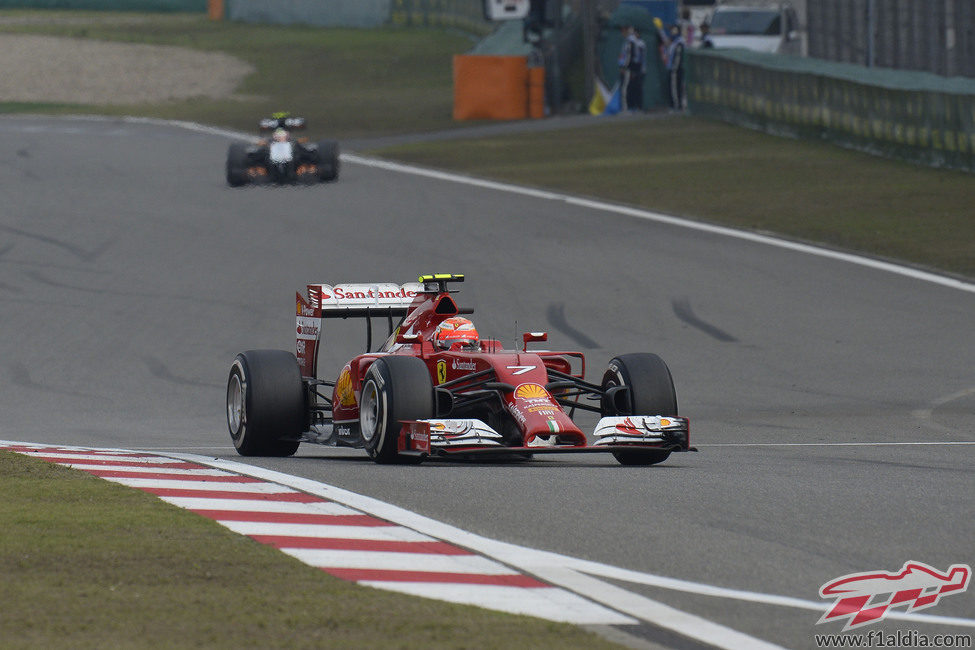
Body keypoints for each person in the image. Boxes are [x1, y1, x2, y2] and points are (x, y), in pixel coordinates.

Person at [665, 24, 686, 111]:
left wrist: (674, 68)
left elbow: (678, 57)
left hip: (676, 70)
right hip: (672, 68)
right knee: (674, 86)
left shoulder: (679, 43)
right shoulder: (674, 43)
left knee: (675, 87)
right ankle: (676, 104)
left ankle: (676, 105)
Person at [617, 25, 636, 112]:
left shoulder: (630, 42)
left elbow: (629, 56)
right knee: (625, 87)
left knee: (625, 88)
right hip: (625, 67)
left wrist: (625, 67)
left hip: (627, 69)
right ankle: (627, 107)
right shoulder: (627, 42)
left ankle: (626, 108)